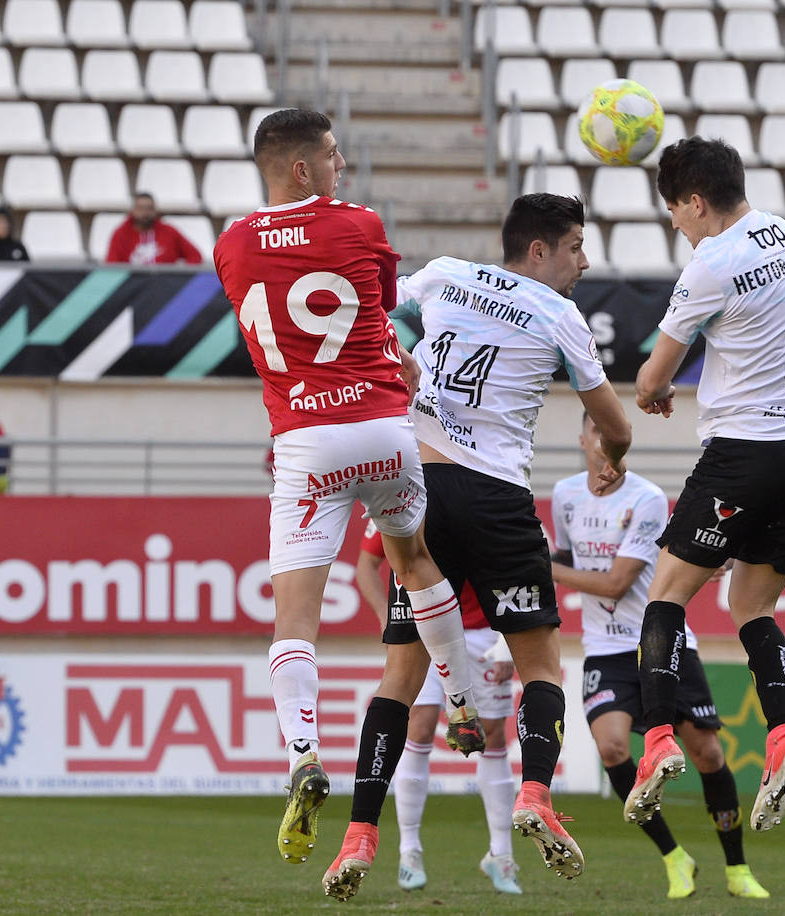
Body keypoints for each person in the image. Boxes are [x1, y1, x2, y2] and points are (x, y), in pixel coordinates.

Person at [323, 193, 633, 901]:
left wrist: (400, 366)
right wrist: (615, 451)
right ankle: (534, 794)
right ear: (538, 251)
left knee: (398, 679)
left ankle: (362, 832)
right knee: (542, 666)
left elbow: (371, 322)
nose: (584, 261)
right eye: (576, 246)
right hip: (496, 499)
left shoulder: (440, 275)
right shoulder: (561, 315)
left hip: (419, 493)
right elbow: (614, 423)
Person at [213, 107, 483, 868]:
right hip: (384, 431)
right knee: (416, 562)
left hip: (304, 442)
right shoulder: (361, 224)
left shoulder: (230, 244)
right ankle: (461, 700)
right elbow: (379, 306)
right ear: (302, 168)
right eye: (331, 156)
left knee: (294, 618)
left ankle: (302, 752)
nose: (341, 167)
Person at [626, 137, 785, 837]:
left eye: (675, 214)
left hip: (747, 452)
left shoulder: (711, 262)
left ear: (695, 201)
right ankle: (782, 733)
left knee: (666, 595)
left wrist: (653, 394)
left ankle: (656, 739)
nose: (677, 227)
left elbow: (653, 378)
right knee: (752, 604)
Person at [551, 414, 768, 900]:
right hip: (604, 648)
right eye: (595, 431)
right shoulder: (565, 495)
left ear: (621, 443)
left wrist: (542, 566)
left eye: (613, 435)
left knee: (708, 754)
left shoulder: (646, 497)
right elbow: (567, 558)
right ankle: (674, 856)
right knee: (611, 749)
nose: (603, 441)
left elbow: (614, 582)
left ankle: (737, 868)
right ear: (582, 437)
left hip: (659, 639)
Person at [352, 522, 523, 896]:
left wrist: (508, 642)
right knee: (420, 725)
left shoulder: (484, 484)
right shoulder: (405, 488)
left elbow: (517, 564)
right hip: (420, 628)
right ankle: (409, 851)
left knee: (491, 737)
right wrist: (388, 621)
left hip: (482, 634)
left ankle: (501, 855)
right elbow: (366, 564)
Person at [106, 192, 203, 266]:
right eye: (140, 208)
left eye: (149, 208)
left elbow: (195, 256)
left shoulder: (169, 232)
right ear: (133, 210)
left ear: (155, 210)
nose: (145, 213)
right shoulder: (121, 233)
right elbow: (112, 265)